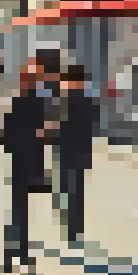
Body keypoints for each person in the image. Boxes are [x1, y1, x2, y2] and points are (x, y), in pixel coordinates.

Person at [0, 64, 53, 274]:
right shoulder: (39, 104)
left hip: (19, 161)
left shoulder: (16, 103)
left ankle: (13, 253)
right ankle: (18, 252)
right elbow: (45, 133)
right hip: (30, 161)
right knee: (22, 210)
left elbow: (6, 136)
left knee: (18, 209)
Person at [54, 65, 100, 247]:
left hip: (69, 150)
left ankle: (72, 229)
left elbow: (59, 127)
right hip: (77, 151)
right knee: (73, 190)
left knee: (69, 189)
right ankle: (74, 229)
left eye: (65, 80)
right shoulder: (86, 102)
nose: (63, 84)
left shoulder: (64, 103)